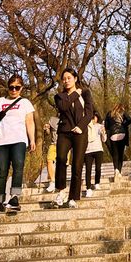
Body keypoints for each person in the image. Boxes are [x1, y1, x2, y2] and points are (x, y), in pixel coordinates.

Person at [0, 74, 36, 212]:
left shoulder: (25, 102)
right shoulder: (0, 101)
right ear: (8, 87)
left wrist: (32, 139)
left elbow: (29, 122)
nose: (14, 90)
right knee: (2, 171)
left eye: (17, 87)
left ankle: (14, 198)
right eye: (11, 87)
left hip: (19, 140)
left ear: (21, 88)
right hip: (0, 141)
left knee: (18, 166)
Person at [53, 68, 94, 208]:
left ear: (75, 78)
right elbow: (63, 107)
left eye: (69, 78)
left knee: (77, 165)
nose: (66, 81)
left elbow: (89, 113)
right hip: (64, 131)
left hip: (80, 132)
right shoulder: (59, 96)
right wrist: (75, 93)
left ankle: (73, 197)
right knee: (61, 159)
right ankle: (61, 190)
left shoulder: (86, 93)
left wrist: (81, 126)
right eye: (64, 79)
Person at [104, 102, 131, 179]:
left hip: (113, 135)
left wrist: (109, 130)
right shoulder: (123, 112)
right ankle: (119, 171)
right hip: (122, 134)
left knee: (115, 154)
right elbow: (129, 119)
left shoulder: (110, 113)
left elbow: (106, 125)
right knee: (121, 154)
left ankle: (116, 170)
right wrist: (123, 124)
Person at [84, 112, 106, 197]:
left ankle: (97, 183)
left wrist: (104, 132)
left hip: (98, 149)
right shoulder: (85, 126)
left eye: (95, 118)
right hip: (88, 151)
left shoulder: (100, 126)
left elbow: (104, 140)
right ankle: (88, 188)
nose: (93, 120)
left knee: (98, 168)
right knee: (88, 170)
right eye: (92, 118)